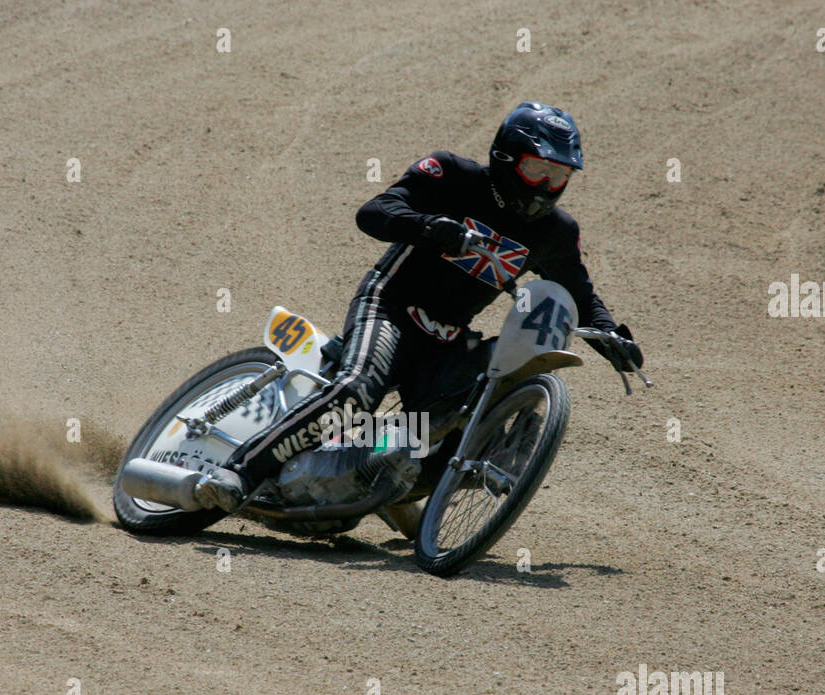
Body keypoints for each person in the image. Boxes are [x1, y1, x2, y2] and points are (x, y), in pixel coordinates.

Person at [193, 101, 643, 511]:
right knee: (357, 391)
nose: (547, 186)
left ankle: (379, 484)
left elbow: (581, 296)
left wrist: (613, 337)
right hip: (388, 307)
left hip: (445, 340)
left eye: (559, 176)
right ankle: (240, 470)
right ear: (505, 158)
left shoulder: (555, 232)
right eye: (536, 169)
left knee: (455, 427)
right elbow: (373, 212)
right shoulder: (451, 175)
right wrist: (430, 227)